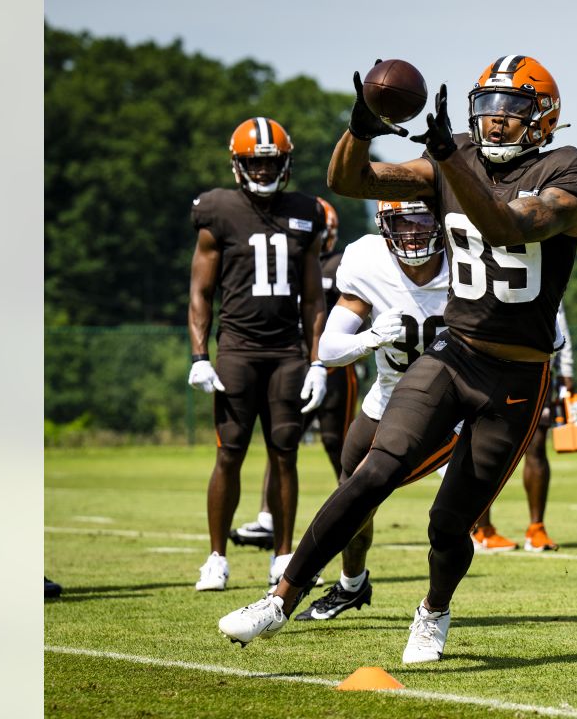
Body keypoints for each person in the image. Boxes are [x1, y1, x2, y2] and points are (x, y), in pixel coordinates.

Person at [218, 55, 577, 665]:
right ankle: (279, 600)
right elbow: (352, 181)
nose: (497, 121)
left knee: (448, 525)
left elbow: (508, 225)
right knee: (372, 471)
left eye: (513, 109)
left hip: (517, 376)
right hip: (453, 355)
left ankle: (433, 612)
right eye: (489, 108)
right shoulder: (458, 160)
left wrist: (449, 157)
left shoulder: (571, 170)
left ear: (544, 117)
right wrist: (363, 125)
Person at [187, 117, 328, 591]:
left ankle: (283, 556)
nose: (263, 171)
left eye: (271, 162)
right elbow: (200, 292)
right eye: (254, 162)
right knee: (229, 453)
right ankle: (216, 557)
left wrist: (317, 361)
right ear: (237, 163)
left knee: (284, 452)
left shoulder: (306, 211)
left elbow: (314, 298)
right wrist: (199, 355)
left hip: (287, 351)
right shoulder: (217, 210)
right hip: (238, 351)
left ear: (285, 164)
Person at [293, 199, 450, 621]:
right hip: (387, 400)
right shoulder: (367, 261)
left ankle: (435, 609)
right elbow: (328, 348)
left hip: (451, 408)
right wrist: (369, 339)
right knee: (350, 496)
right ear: (384, 225)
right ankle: (351, 584)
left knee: (441, 513)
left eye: (423, 221)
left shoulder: (468, 260)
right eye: (403, 222)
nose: (414, 233)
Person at [231, 197, 356, 553]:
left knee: (339, 443)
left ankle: (352, 509)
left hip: (332, 369)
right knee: (280, 443)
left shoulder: (341, 264)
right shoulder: (286, 264)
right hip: (294, 364)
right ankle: (269, 517)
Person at [470, 304, 576, 552]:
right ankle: (481, 529)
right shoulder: (490, 268)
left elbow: (558, 320)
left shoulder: (547, 269)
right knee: (484, 446)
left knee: (537, 446)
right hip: (494, 370)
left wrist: (567, 369)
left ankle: (536, 529)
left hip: (537, 370)